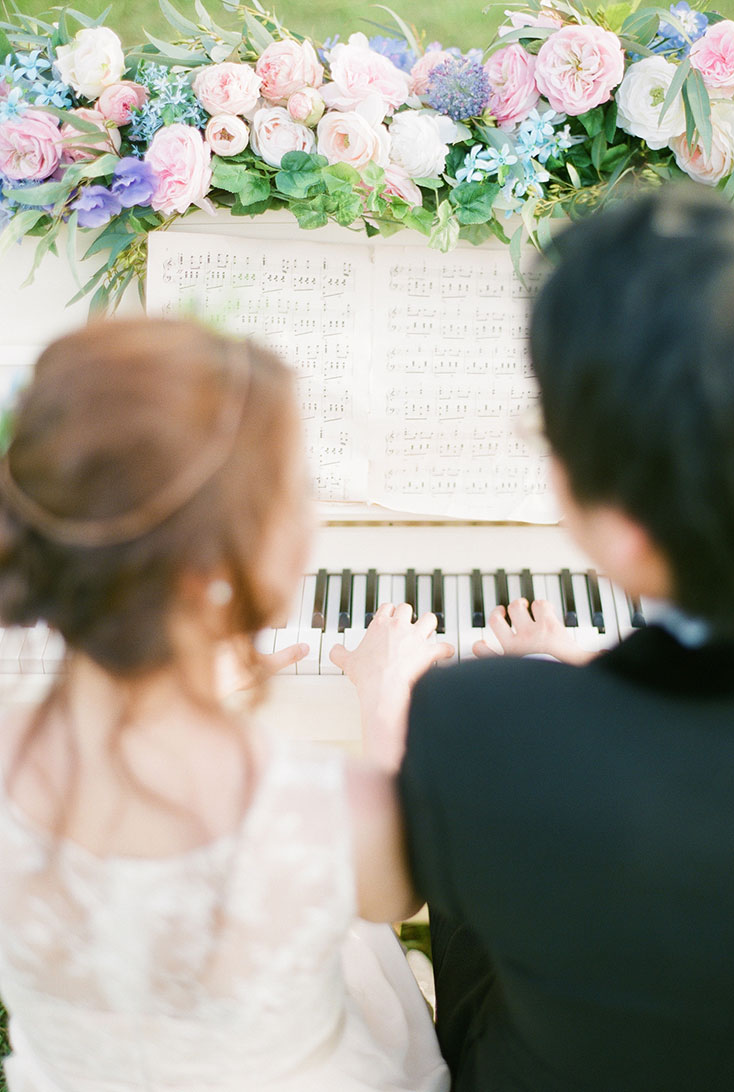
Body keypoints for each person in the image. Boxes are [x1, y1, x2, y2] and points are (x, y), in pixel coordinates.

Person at [333, 185, 734, 1091]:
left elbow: (383, 896)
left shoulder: (482, 722)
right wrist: (591, 669)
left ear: (614, 527)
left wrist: (390, 698)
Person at [0, 318, 451, 1092]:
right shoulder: (334, 807)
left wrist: (192, 677)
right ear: (211, 567)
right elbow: (396, 889)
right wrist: (386, 703)